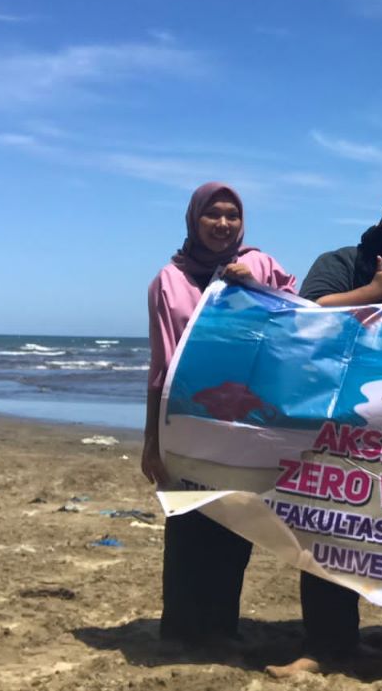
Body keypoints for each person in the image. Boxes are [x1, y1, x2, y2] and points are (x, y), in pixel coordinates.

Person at [268, 193, 382, 679]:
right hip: (330, 418)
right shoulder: (340, 263)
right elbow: (304, 312)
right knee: (326, 524)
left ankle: (344, 641)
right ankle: (321, 645)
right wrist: (371, 291)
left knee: (366, 534)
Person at [142, 182, 296, 648]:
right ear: (193, 219)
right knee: (189, 520)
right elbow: (162, 365)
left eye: (232, 214)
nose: (223, 223)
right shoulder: (169, 280)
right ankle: (182, 629)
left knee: (236, 521)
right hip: (188, 417)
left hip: (247, 419)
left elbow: (299, 319)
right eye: (213, 214)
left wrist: (249, 286)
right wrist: (151, 440)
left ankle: (222, 626)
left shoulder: (263, 264)